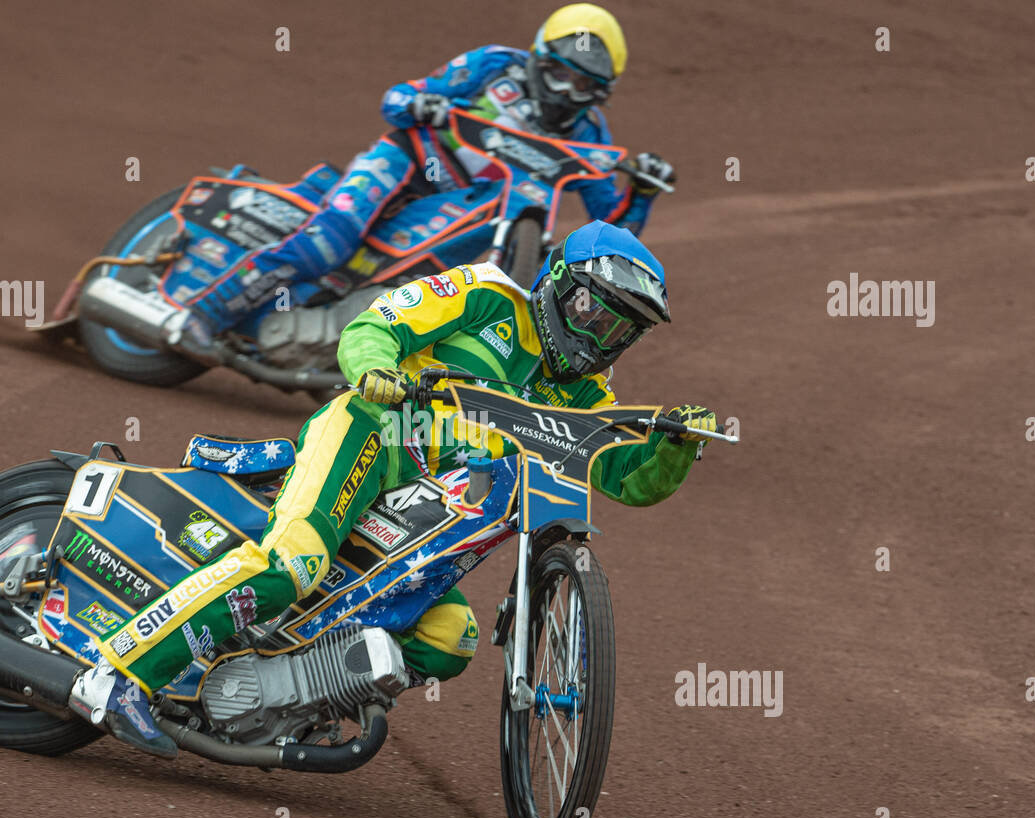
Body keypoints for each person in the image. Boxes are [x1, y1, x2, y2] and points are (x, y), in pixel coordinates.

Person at [69, 219, 718, 757]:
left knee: (449, 635)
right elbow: (378, 323)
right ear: (557, 284)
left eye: (619, 330)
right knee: (295, 561)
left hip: (414, 520)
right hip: (369, 437)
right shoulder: (488, 294)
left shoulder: (583, 396)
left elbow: (622, 477)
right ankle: (117, 674)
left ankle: (281, 697)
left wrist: (675, 445)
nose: (598, 338)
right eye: (592, 314)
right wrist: (373, 366)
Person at [187, 3, 676, 334]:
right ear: (539, 57)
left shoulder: (589, 131)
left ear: (601, 93)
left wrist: (643, 192)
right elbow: (396, 97)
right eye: (559, 74)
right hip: (408, 163)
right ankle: (203, 313)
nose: (567, 92)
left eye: (583, 85)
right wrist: (423, 106)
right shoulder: (493, 65)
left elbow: (606, 228)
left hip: (473, 213)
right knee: (328, 242)